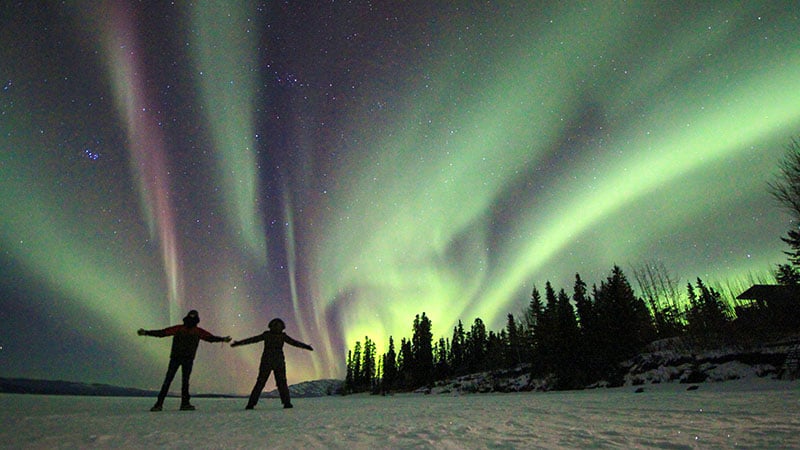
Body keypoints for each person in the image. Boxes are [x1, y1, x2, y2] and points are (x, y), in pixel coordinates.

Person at [137, 310, 231, 411]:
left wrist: (222, 339)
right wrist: (146, 332)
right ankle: (165, 404)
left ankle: (172, 404)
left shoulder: (191, 330)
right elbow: (162, 333)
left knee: (177, 381)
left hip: (183, 358)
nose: (192, 318)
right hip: (179, 358)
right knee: (173, 381)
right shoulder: (186, 329)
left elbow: (210, 338)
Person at [231, 318, 313, 409]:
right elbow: (253, 339)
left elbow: (294, 343)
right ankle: (284, 403)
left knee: (269, 383)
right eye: (277, 326)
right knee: (270, 383)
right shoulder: (273, 335)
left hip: (274, 362)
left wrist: (306, 346)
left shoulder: (276, 336)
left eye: (279, 326)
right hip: (272, 362)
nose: (278, 328)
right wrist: (306, 346)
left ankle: (254, 404)